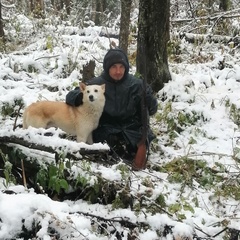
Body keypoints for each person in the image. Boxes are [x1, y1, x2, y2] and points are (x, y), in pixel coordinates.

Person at [66, 48, 158, 161]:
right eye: (114, 67)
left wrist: (150, 101)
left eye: (121, 67)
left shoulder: (137, 85)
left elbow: (153, 109)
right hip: (107, 128)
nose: (118, 71)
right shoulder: (97, 84)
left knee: (139, 142)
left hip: (132, 128)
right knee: (108, 143)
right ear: (107, 67)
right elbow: (70, 96)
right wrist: (80, 97)